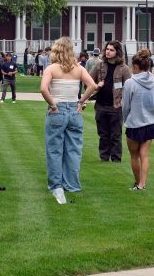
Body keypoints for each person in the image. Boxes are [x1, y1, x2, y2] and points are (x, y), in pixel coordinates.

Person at [39, 37, 98, 205]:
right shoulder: (78, 68)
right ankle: (72, 184)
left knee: (54, 150)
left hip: (57, 110)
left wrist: (52, 104)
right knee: (73, 150)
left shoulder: (51, 68)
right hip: (74, 110)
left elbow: (43, 88)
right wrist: (81, 101)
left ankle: (56, 185)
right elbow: (92, 85)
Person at [88, 40, 132, 162]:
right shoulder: (99, 66)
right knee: (103, 134)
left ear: (117, 52)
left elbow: (130, 87)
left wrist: (124, 101)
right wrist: (97, 85)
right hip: (101, 105)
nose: (108, 52)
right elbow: (88, 82)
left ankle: (116, 159)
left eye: (111, 50)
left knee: (115, 135)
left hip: (116, 106)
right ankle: (104, 158)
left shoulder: (124, 69)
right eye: (107, 49)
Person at [122, 49, 154, 191]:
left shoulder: (130, 83)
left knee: (134, 156)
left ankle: (139, 183)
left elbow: (125, 106)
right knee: (145, 155)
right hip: (151, 122)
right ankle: (142, 184)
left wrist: (125, 119)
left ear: (136, 66)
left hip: (134, 123)